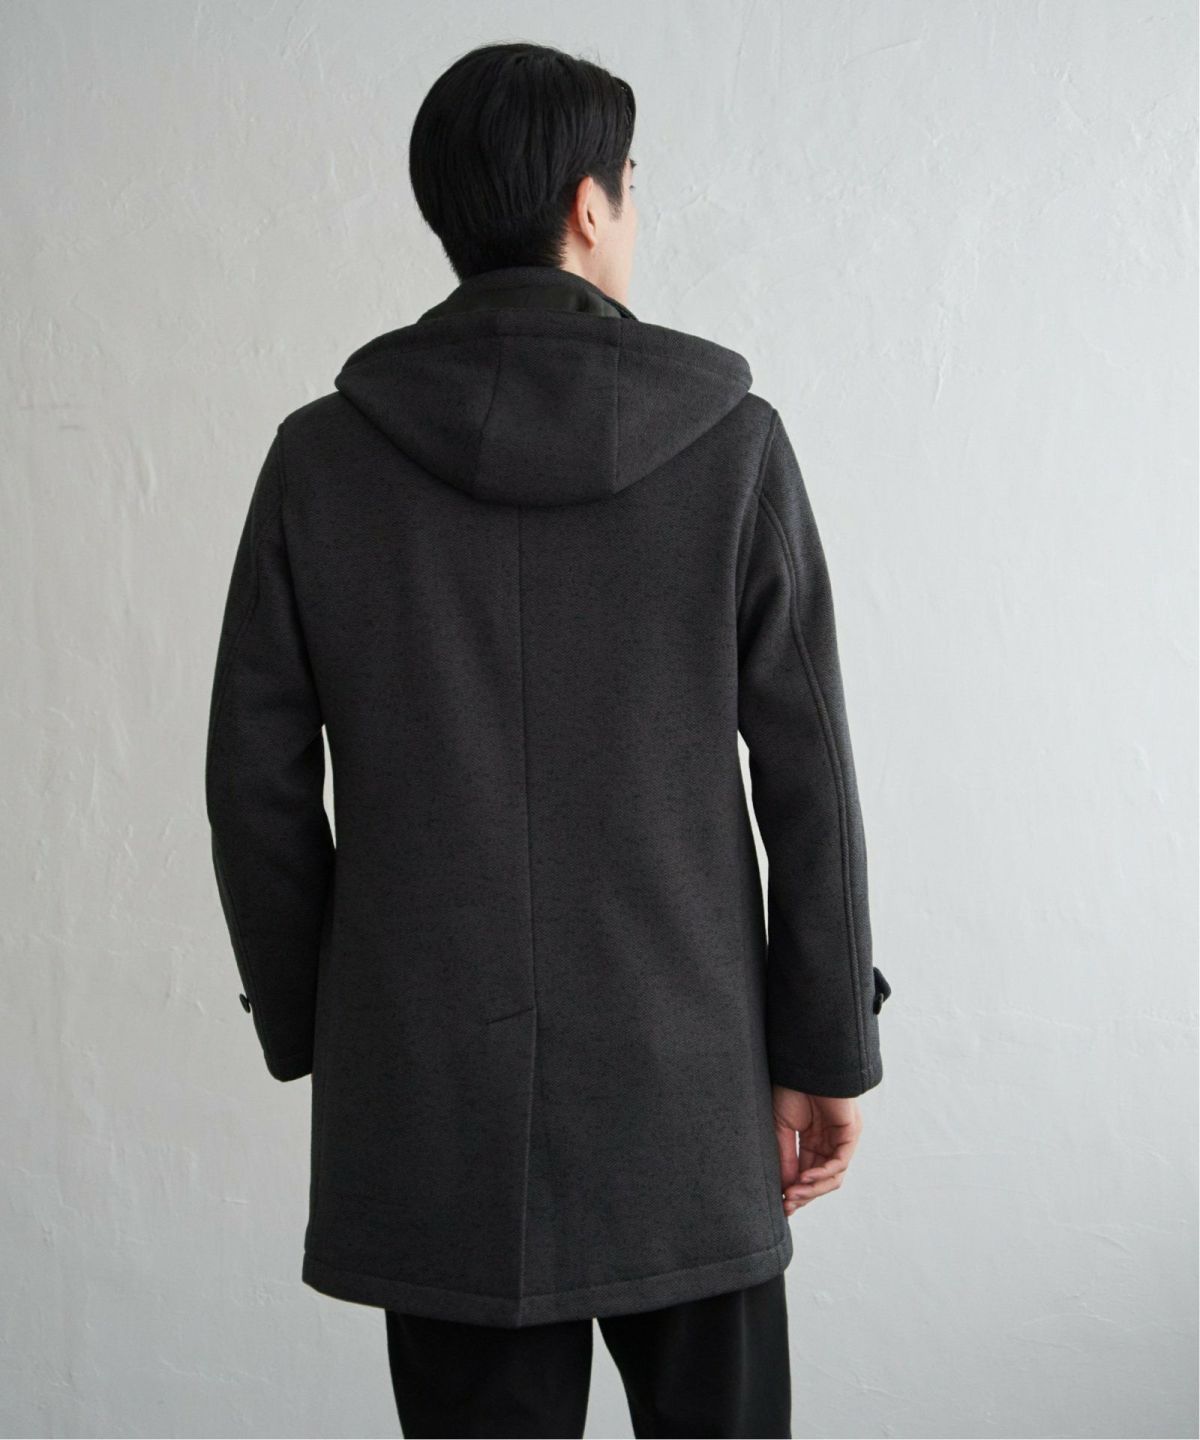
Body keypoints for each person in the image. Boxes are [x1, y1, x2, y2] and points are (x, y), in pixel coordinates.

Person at [204, 39, 890, 1440]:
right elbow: (809, 776)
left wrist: (326, 1023)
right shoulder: (732, 446)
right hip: (688, 1093)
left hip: (433, 1098)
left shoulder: (321, 461)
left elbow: (254, 787)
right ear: (589, 204)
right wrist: (824, 1044)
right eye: (630, 183)